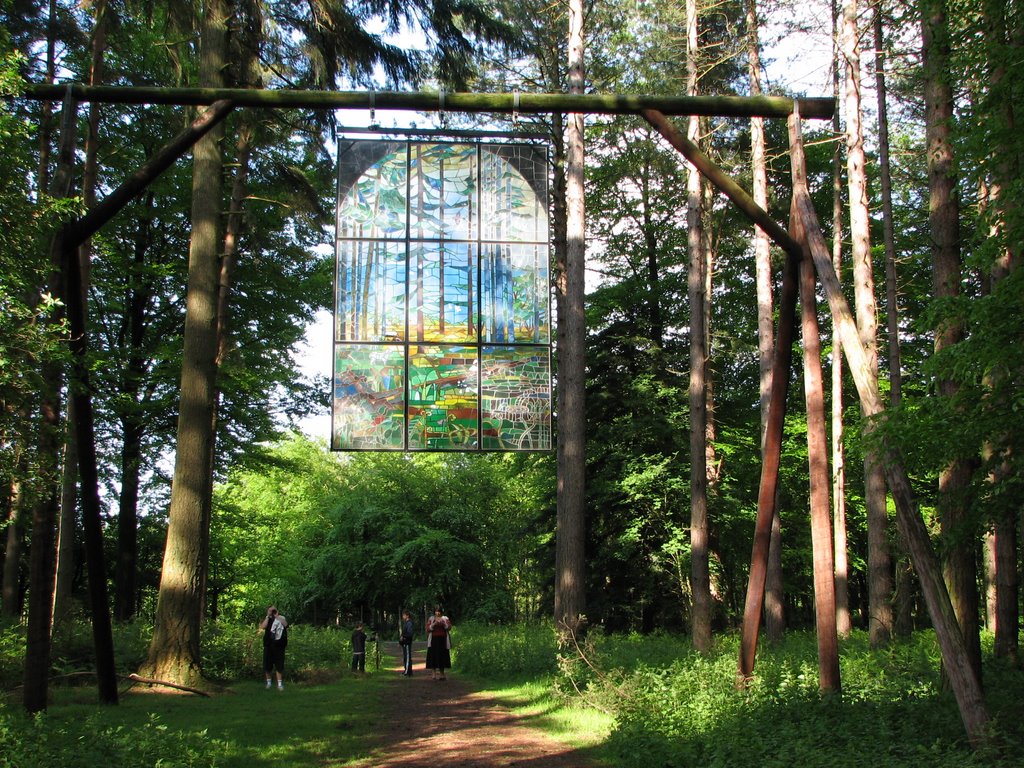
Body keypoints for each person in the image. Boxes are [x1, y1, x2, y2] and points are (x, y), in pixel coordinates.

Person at [260, 606, 288, 690]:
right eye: (271, 610)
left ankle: (279, 684)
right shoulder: (267, 618)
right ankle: (269, 683)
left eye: (274, 610)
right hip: (269, 644)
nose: (273, 611)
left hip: (279, 644)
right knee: (267, 664)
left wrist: (277, 616)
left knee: (279, 664)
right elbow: (263, 627)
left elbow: (286, 625)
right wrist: (268, 616)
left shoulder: (281, 618)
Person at [425, 607, 452, 680]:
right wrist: (434, 624)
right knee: (433, 657)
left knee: (442, 657)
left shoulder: (445, 618)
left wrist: (443, 623)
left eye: (439, 611)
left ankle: (442, 674)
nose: (438, 613)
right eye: (436, 611)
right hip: (433, 641)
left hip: (443, 641)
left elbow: (449, 627)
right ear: (434, 612)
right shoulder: (431, 619)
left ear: (441, 612)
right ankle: (433, 674)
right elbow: (427, 629)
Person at [399, 611, 415, 676]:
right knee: (405, 657)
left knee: (407, 657)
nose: (403, 617)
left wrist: (403, 636)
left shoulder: (409, 623)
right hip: (405, 643)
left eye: (404, 615)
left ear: (407, 615)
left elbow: (410, 634)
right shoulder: (406, 623)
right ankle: (406, 670)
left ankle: (408, 672)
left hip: (407, 643)